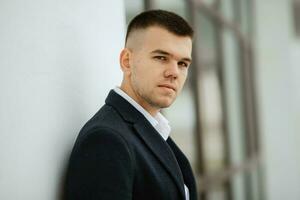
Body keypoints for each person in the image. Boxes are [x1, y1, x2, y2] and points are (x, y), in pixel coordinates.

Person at [65, 9, 197, 200]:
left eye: (183, 63)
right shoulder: (106, 140)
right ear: (127, 61)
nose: (174, 72)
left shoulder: (155, 129)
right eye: (161, 57)